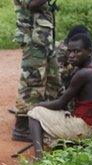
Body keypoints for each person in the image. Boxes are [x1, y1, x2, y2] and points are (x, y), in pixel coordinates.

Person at [27, 34, 92, 159]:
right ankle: (59, 146)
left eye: (77, 51)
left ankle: (38, 158)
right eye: (70, 51)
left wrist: (38, 105)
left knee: (35, 113)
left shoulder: (83, 73)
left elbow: (61, 103)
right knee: (55, 115)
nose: (71, 55)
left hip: (86, 128)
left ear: (89, 51)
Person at [12, 0, 62, 142]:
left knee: (53, 79)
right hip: (33, 38)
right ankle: (21, 127)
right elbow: (31, 4)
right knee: (32, 83)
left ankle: (46, 122)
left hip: (44, 37)